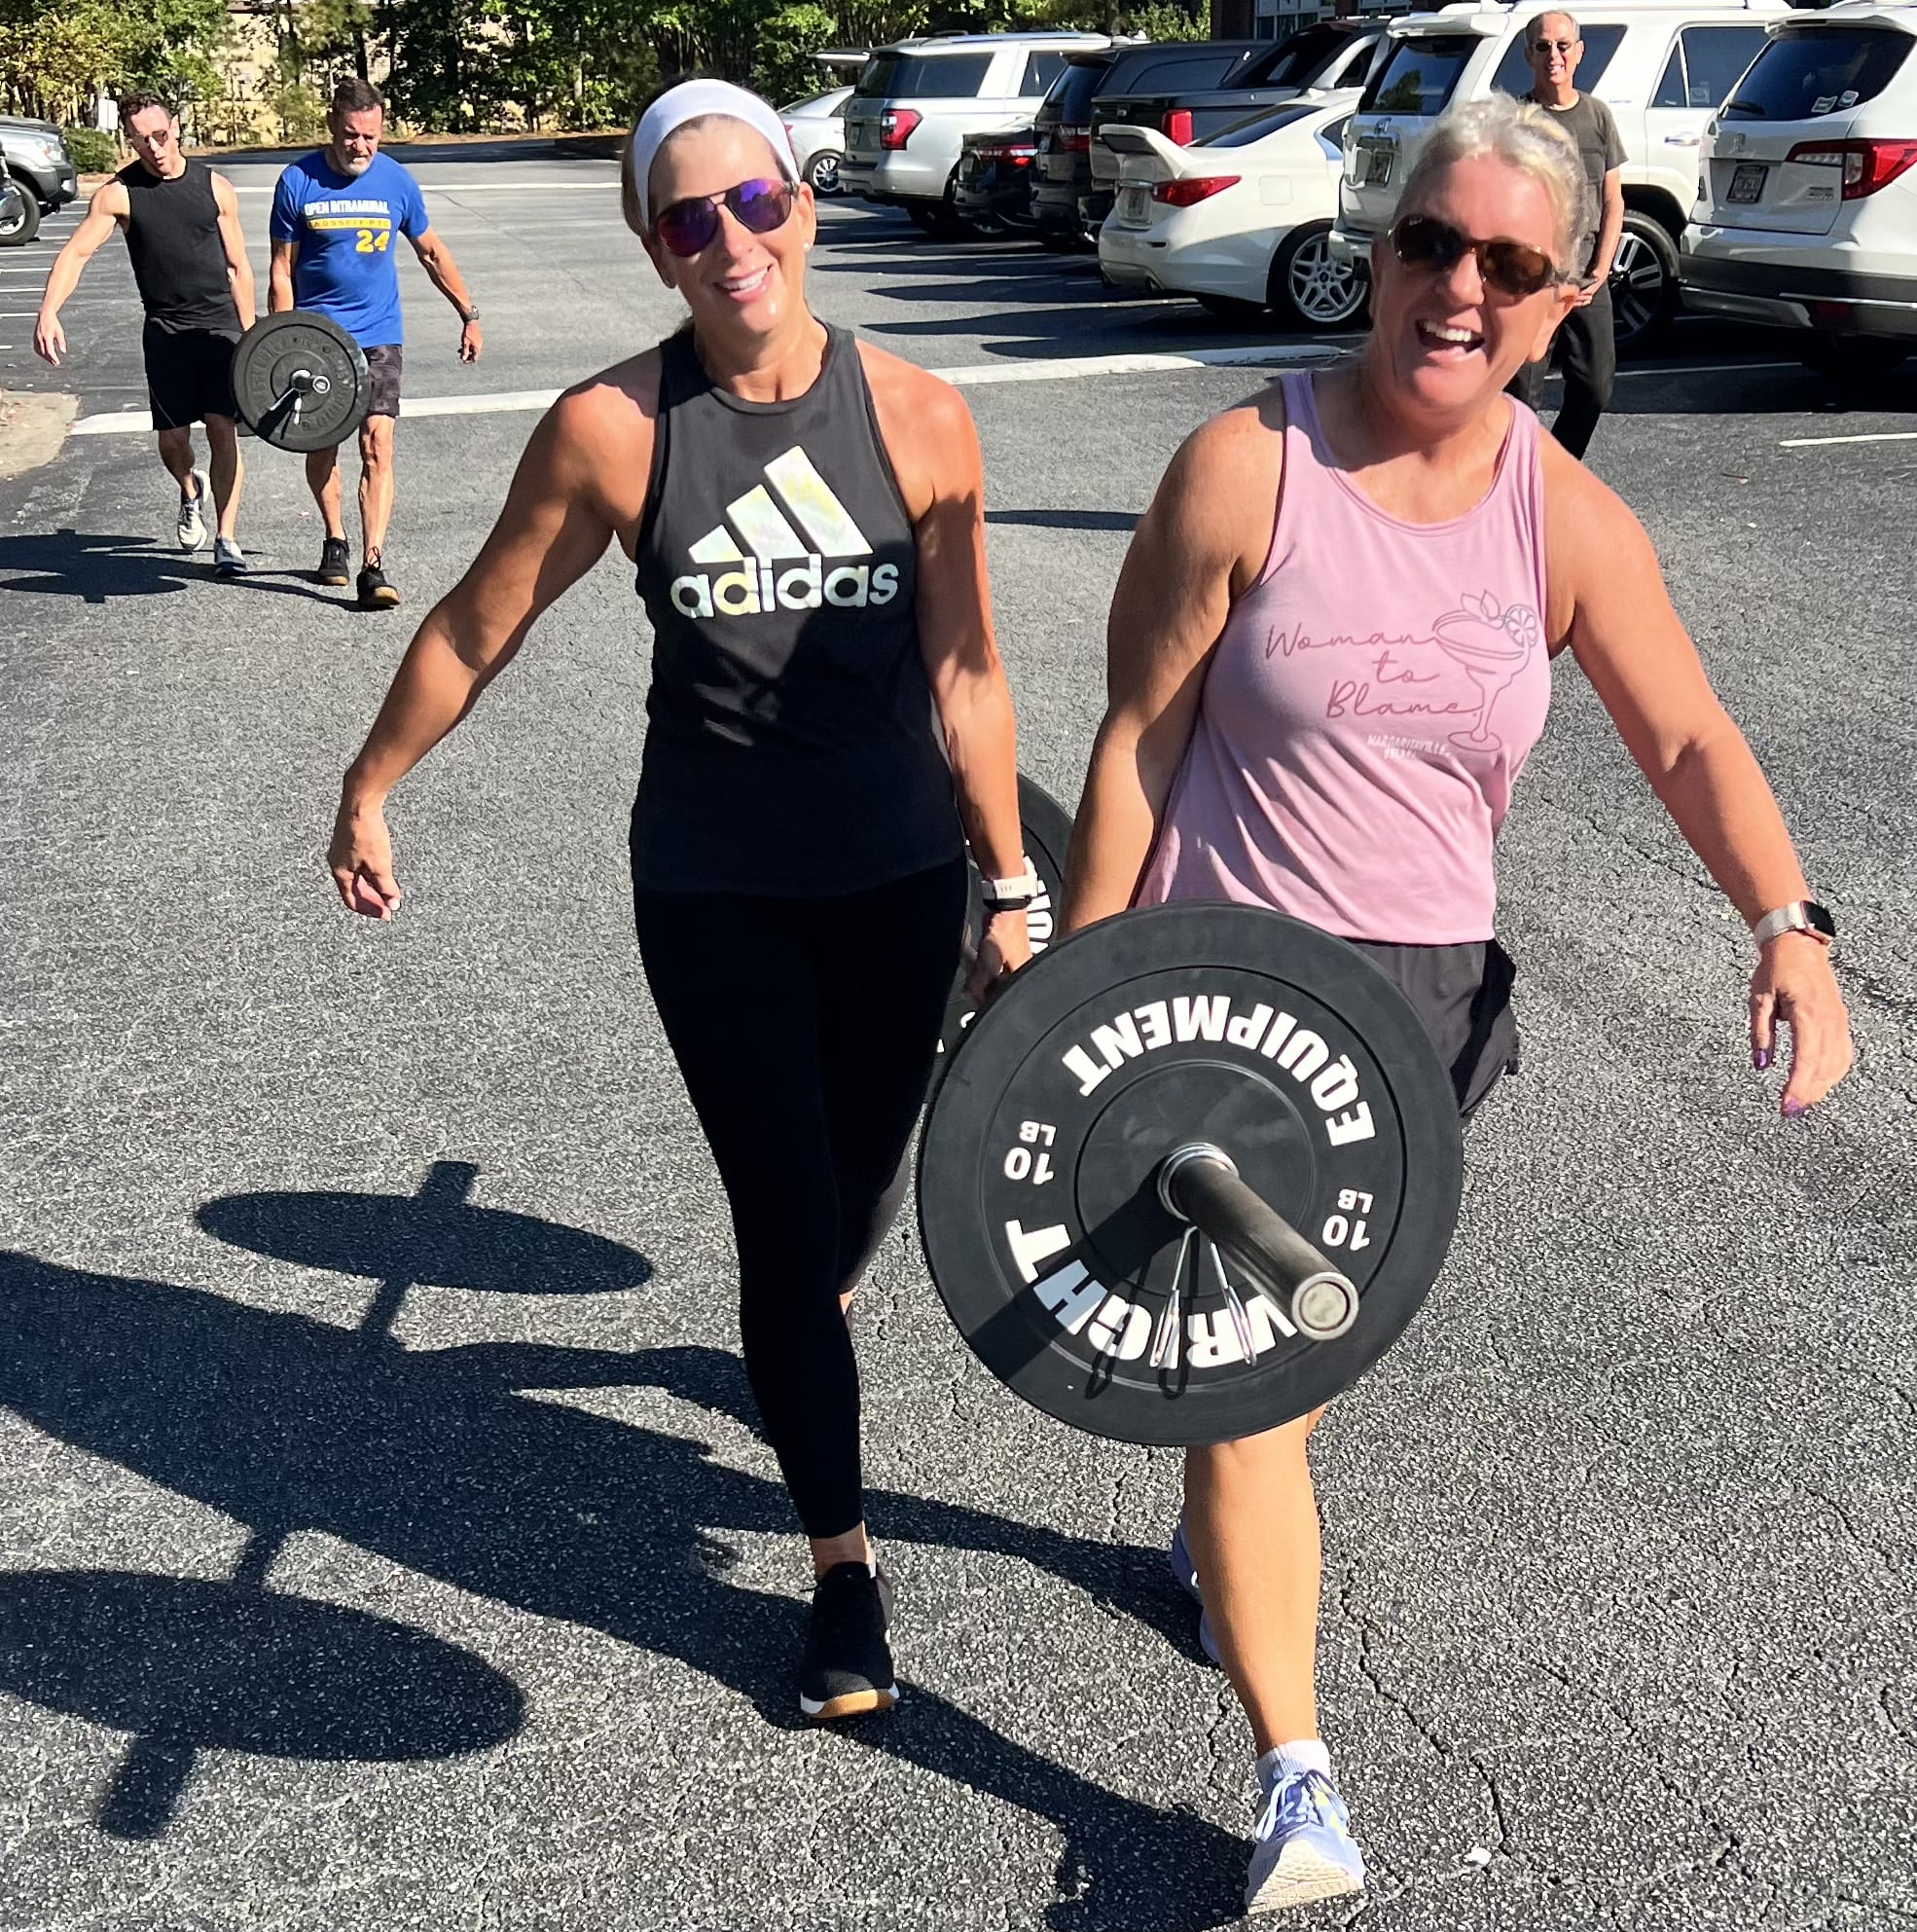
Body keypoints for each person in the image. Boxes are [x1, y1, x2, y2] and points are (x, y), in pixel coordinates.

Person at [1062, 94, 1853, 1915]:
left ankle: (1219, 1541)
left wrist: (1787, 924)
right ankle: (1297, 1777)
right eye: (1432, 241)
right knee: (1255, 1383)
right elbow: (1135, 744)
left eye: (1509, 262)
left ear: (1567, 293)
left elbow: (1686, 733)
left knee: (1299, 1369)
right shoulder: (1243, 469)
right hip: (1222, 994)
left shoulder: (1560, 517)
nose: (1460, 287)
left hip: (1420, 1017)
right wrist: (1065, 1008)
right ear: (1380, 245)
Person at [325, 79, 1033, 1722]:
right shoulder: (615, 429)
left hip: (901, 881)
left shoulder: (921, 415)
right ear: (658, 248)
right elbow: (475, 624)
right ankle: (842, 1572)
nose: (732, 240)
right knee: (783, 1231)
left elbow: (969, 671)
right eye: (691, 218)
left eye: (756, 202)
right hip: (716, 890)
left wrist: (1008, 879)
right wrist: (369, 784)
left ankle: (811, 1323)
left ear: (803, 206)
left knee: (850, 1201)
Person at [270, 78, 482, 610]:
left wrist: (468, 313)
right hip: (319, 338)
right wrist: (282, 342)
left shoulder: (395, 181)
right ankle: (334, 538)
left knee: (377, 444)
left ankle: (373, 563)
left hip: (379, 334)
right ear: (332, 125)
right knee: (322, 447)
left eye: (370, 136)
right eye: (350, 134)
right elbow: (281, 269)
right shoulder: (297, 181)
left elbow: (431, 252)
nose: (360, 145)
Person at [32, 93, 254, 577]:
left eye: (161, 135)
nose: (154, 147)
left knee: (222, 427)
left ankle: (227, 538)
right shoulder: (119, 194)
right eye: (141, 139)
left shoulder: (215, 188)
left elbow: (238, 267)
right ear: (129, 140)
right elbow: (76, 254)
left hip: (220, 327)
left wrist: (252, 337)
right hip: (166, 331)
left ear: (175, 129)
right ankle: (190, 489)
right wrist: (49, 310)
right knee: (173, 440)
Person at [1505, 10, 1625, 458]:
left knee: (1595, 388)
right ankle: (1517, 477)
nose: (1553, 55)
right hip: (1534, 280)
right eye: (1543, 46)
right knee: (1521, 395)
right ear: (1528, 56)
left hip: (1587, 280)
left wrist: (1601, 270)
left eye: (1562, 45)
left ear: (1579, 52)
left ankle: (1556, 467)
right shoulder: (1518, 121)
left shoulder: (1597, 116)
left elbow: (1613, 200)